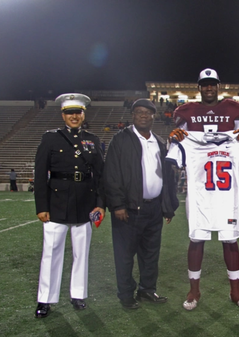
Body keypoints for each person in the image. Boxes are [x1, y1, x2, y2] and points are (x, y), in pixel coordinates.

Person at [168, 68, 239, 311]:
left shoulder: (234, 113)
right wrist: (173, 141)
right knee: (196, 240)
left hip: (227, 199)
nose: (209, 88)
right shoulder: (187, 113)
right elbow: (172, 157)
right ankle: (194, 290)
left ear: (218, 86)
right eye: (204, 84)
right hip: (200, 197)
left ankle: (235, 291)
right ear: (199, 87)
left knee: (230, 241)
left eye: (212, 84)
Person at [102, 99, 179, 310]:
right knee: (125, 254)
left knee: (151, 253)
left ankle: (147, 289)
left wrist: (168, 206)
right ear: (133, 116)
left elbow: (168, 178)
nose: (143, 116)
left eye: (147, 113)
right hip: (128, 209)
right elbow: (112, 175)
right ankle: (126, 293)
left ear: (154, 116)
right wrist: (117, 205)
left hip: (154, 208)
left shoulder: (159, 142)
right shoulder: (120, 140)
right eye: (139, 112)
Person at [33, 93, 105, 318]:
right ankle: (45, 299)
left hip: (85, 203)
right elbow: (39, 174)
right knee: (51, 253)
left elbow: (101, 176)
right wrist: (41, 206)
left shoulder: (92, 140)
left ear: (84, 114)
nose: (74, 116)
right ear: (62, 114)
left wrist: (100, 205)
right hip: (56, 204)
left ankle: (78, 294)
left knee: (81, 253)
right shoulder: (50, 139)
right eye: (69, 112)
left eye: (78, 112)